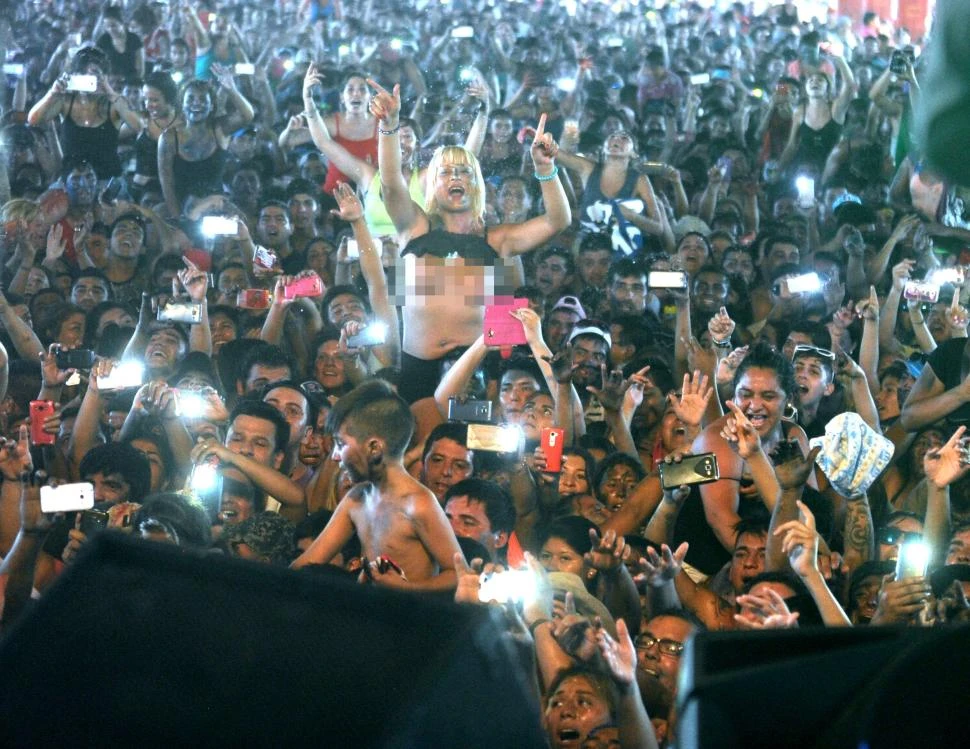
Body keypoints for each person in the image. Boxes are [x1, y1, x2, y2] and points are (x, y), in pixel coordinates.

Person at [368, 81, 570, 419]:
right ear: (432, 184)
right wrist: (389, 127)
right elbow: (390, 182)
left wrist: (546, 169)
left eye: (463, 171)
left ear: (476, 183)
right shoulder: (414, 225)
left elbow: (557, 220)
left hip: (482, 368)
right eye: (445, 171)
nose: (454, 176)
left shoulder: (497, 240)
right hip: (420, 366)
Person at [292, 380, 464, 592]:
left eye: (341, 444)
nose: (335, 456)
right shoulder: (356, 499)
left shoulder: (418, 504)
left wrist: (406, 588)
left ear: (374, 447)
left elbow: (457, 573)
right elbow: (308, 562)